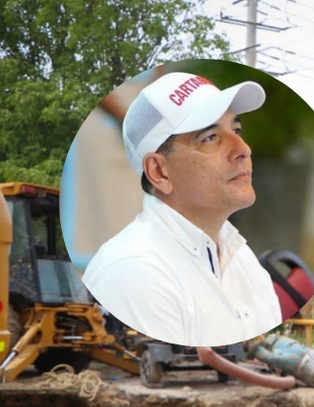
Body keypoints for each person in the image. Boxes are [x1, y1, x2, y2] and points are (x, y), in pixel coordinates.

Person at [82, 72, 282, 346]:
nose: (243, 149)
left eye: (235, 131)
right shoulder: (134, 271)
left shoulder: (243, 260)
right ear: (159, 171)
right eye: (210, 137)